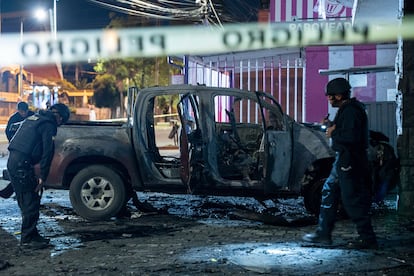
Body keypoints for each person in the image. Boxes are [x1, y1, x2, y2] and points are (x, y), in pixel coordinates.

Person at [302, 78, 378, 250]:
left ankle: (367, 238)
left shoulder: (351, 111)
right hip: (343, 160)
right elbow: (344, 130)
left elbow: (351, 138)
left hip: (350, 161)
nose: (328, 99)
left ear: (338, 95)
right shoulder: (348, 110)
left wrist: (333, 134)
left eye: (330, 96)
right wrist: (331, 126)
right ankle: (323, 234)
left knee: (352, 200)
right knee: (329, 191)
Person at [7, 103, 70, 250]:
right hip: (21, 165)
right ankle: (28, 239)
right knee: (31, 202)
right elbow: (47, 152)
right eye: (62, 121)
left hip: (14, 162)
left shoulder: (34, 118)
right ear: (59, 117)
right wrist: (43, 176)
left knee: (27, 201)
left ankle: (32, 234)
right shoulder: (48, 124)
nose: (60, 124)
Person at [0, 102, 35, 199]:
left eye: (25, 112)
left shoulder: (33, 116)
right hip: (18, 148)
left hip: (31, 148)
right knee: (16, 170)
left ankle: (15, 191)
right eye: (21, 112)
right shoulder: (14, 119)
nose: (23, 114)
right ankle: (13, 191)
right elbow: (8, 132)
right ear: (18, 110)